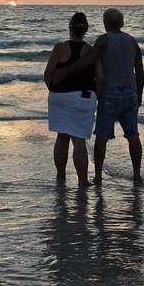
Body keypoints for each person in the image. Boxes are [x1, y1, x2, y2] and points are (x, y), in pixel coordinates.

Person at [91, 8, 144, 184]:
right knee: (133, 135)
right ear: (121, 23)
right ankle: (136, 174)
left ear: (105, 23)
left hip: (109, 94)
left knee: (101, 136)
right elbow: (140, 71)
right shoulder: (132, 41)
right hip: (130, 93)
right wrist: (140, 94)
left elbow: (91, 61)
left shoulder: (103, 40)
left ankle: (98, 176)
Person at [42, 11, 97, 186]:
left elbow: (48, 73)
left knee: (62, 137)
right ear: (86, 29)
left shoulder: (60, 47)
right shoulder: (91, 50)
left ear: (70, 27)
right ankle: (82, 181)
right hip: (82, 98)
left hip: (59, 97)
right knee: (79, 139)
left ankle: (61, 176)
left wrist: (53, 88)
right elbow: (100, 77)